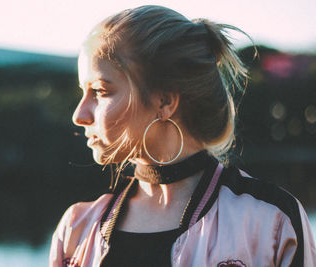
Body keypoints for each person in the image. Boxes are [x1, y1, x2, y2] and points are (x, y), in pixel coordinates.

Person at [49, 5, 316, 267]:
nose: (79, 114)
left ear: (164, 101)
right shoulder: (75, 229)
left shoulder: (271, 222)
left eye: (100, 91)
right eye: (83, 91)